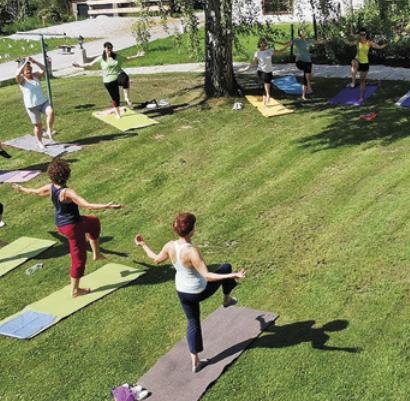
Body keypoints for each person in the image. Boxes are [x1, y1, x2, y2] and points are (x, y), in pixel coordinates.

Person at [134, 212, 246, 373]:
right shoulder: (192, 251)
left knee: (193, 322)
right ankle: (227, 299)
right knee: (226, 267)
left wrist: (143, 244)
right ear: (192, 230)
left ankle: (196, 361)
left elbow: (156, 259)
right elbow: (207, 275)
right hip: (198, 291)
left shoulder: (170, 245)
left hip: (182, 291)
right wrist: (233, 275)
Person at [13, 158, 122, 297]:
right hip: (72, 228)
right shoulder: (67, 192)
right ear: (67, 175)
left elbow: (34, 192)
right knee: (79, 259)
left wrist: (21, 188)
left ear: (51, 176)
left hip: (62, 224)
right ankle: (75, 291)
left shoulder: (50, 187)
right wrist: (107, 206)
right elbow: (86, 205)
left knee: (93, 222)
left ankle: (97, 254)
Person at [73, 42, 144, 118]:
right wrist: (79, 66)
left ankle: (127, 98)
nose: (110, 51)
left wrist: (137, 56)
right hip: (108, 81)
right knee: (116, 98)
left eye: (111, 49)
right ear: (104, 49)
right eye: (108, 49)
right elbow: (90, 64)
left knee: (125, 78)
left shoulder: (116, 56)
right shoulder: (101, 59)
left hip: (117, 76)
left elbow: (127, 59)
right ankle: (118, 114)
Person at [15, 57, 56, 150]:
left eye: (30, 69)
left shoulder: (36, 76)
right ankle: (39, 142)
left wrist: (34, 61)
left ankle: (49, 130)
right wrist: (25, 62)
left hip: (43, 102)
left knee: (51, 112)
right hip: (32, 106)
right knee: (38, 125)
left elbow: (44, 68)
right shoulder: (22, 80)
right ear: (23, 71)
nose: (29, 71)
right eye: (26, 70)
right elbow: (17, 74)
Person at [284, 28, 325, 100]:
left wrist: (327, 40)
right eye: (302, 31)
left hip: (308, 61)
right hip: (299, 61)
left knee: (306, 78)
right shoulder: (296, 41)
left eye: (304, 31)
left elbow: (318, 42)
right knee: (307, 76)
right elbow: (285, 44)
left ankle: (304, 95)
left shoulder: (307, 41)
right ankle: (309, 88)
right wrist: (275, 42)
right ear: (299, 33)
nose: (303, 32)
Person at [346, 29, 386, 102]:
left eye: (364, 35)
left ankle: (361, 97)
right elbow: (349, 43)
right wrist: (345, 38)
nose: (362, 36)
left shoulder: (369, 43)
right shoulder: (357, 42)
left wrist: (385, 45)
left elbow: (379, 47)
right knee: (354, 62)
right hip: (358, 60)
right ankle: (353, 82)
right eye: (361, 35)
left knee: (362, 81)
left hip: (365, 63)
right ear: (359, 35)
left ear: (366, 35)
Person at [251, 38, 288, 106]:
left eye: (265, 43)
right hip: (261, 71)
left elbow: (279, 52)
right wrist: (245, 68)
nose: (263, 44)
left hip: (269, 71)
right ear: (259, 44)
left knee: (266, 85)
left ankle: (265, 101)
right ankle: (268, 95)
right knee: (266, 82)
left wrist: (287, 46)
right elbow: (253, 63)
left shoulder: (269, 51)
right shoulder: (257, 53)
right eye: (262, 43)